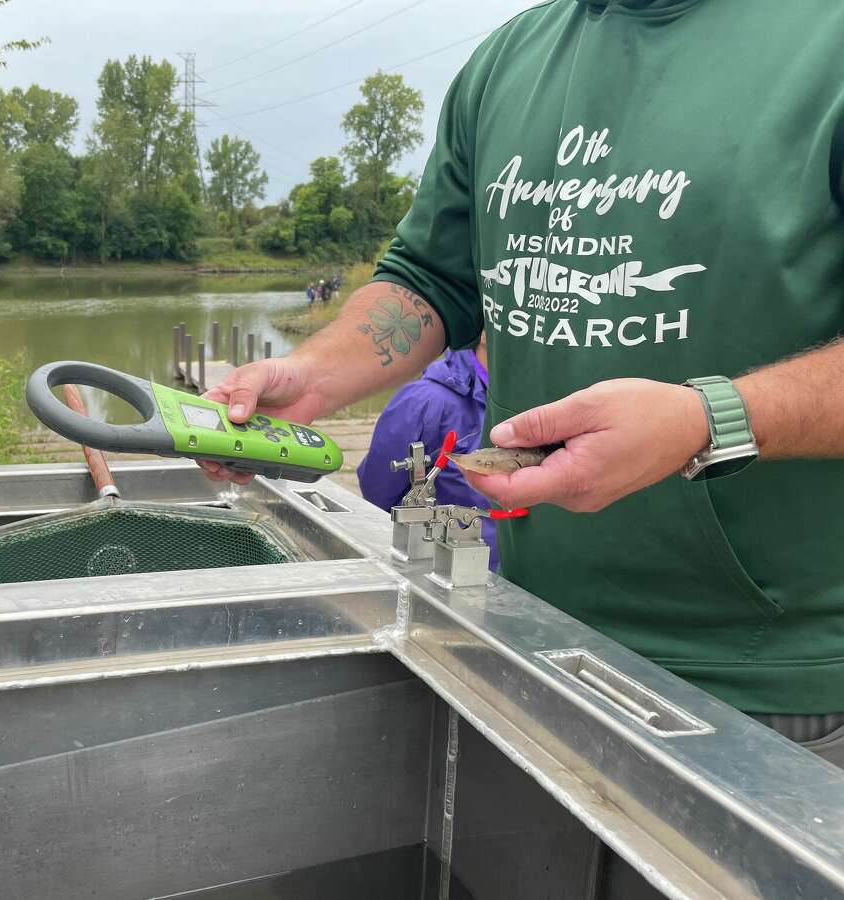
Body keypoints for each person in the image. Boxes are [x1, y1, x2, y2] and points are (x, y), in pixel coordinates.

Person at [201, 0, 844, 764]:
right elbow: (430, 281)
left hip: (771, 681)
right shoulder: (509, 58)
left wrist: (708, 421)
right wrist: (309, 375)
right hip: (528, 626)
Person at [357, 333, 498, 569]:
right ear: (484, 332)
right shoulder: (425, 401)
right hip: (450, 572)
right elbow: (378, 491)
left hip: (519, 581)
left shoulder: (535, 400)